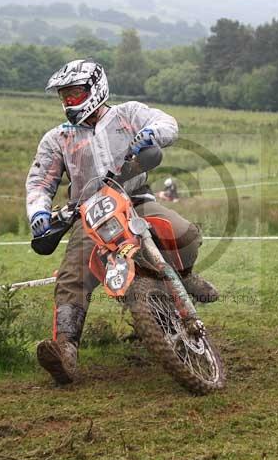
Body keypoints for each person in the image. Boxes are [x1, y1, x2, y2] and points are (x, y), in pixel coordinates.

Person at [26, 59, 218, 385]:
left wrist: (150, 134)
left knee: (184, 234)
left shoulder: (127, 114)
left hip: (136, 198)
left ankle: (185, 275)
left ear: (95, 88)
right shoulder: (57, 139)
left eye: (74, 94)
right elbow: (39, 183)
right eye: (64, 97)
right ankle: (66, 353)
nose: (69, 102)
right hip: (90, 216)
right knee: (73, 277)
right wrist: (39, 214)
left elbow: (166, 121)